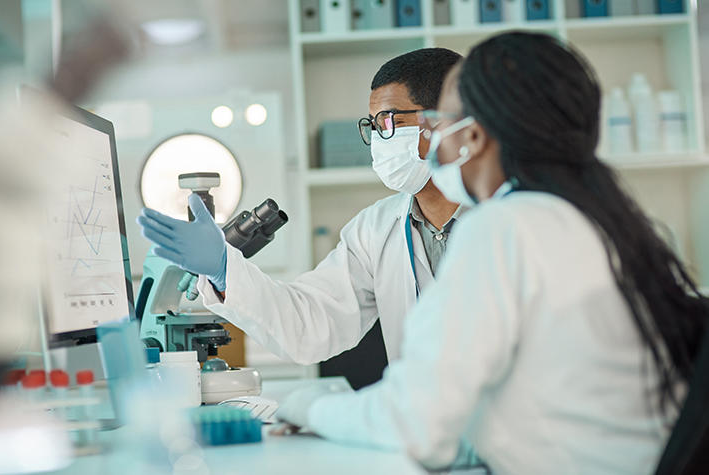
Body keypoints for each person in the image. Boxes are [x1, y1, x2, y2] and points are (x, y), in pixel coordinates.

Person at [275, 32, 709, 474]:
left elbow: (416, 422)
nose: (430, 138)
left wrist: (309, 406)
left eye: (438, 121)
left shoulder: (505, 227)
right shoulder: (601, 218)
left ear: (474, 134)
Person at [136, 48, 465, 374]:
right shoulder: (374, 230)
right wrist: (225, 268)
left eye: (388, 121)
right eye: (372, 126)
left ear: (445, 119)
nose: (378, 138)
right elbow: (310, 326)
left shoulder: (508, 217)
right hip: (424, 422)